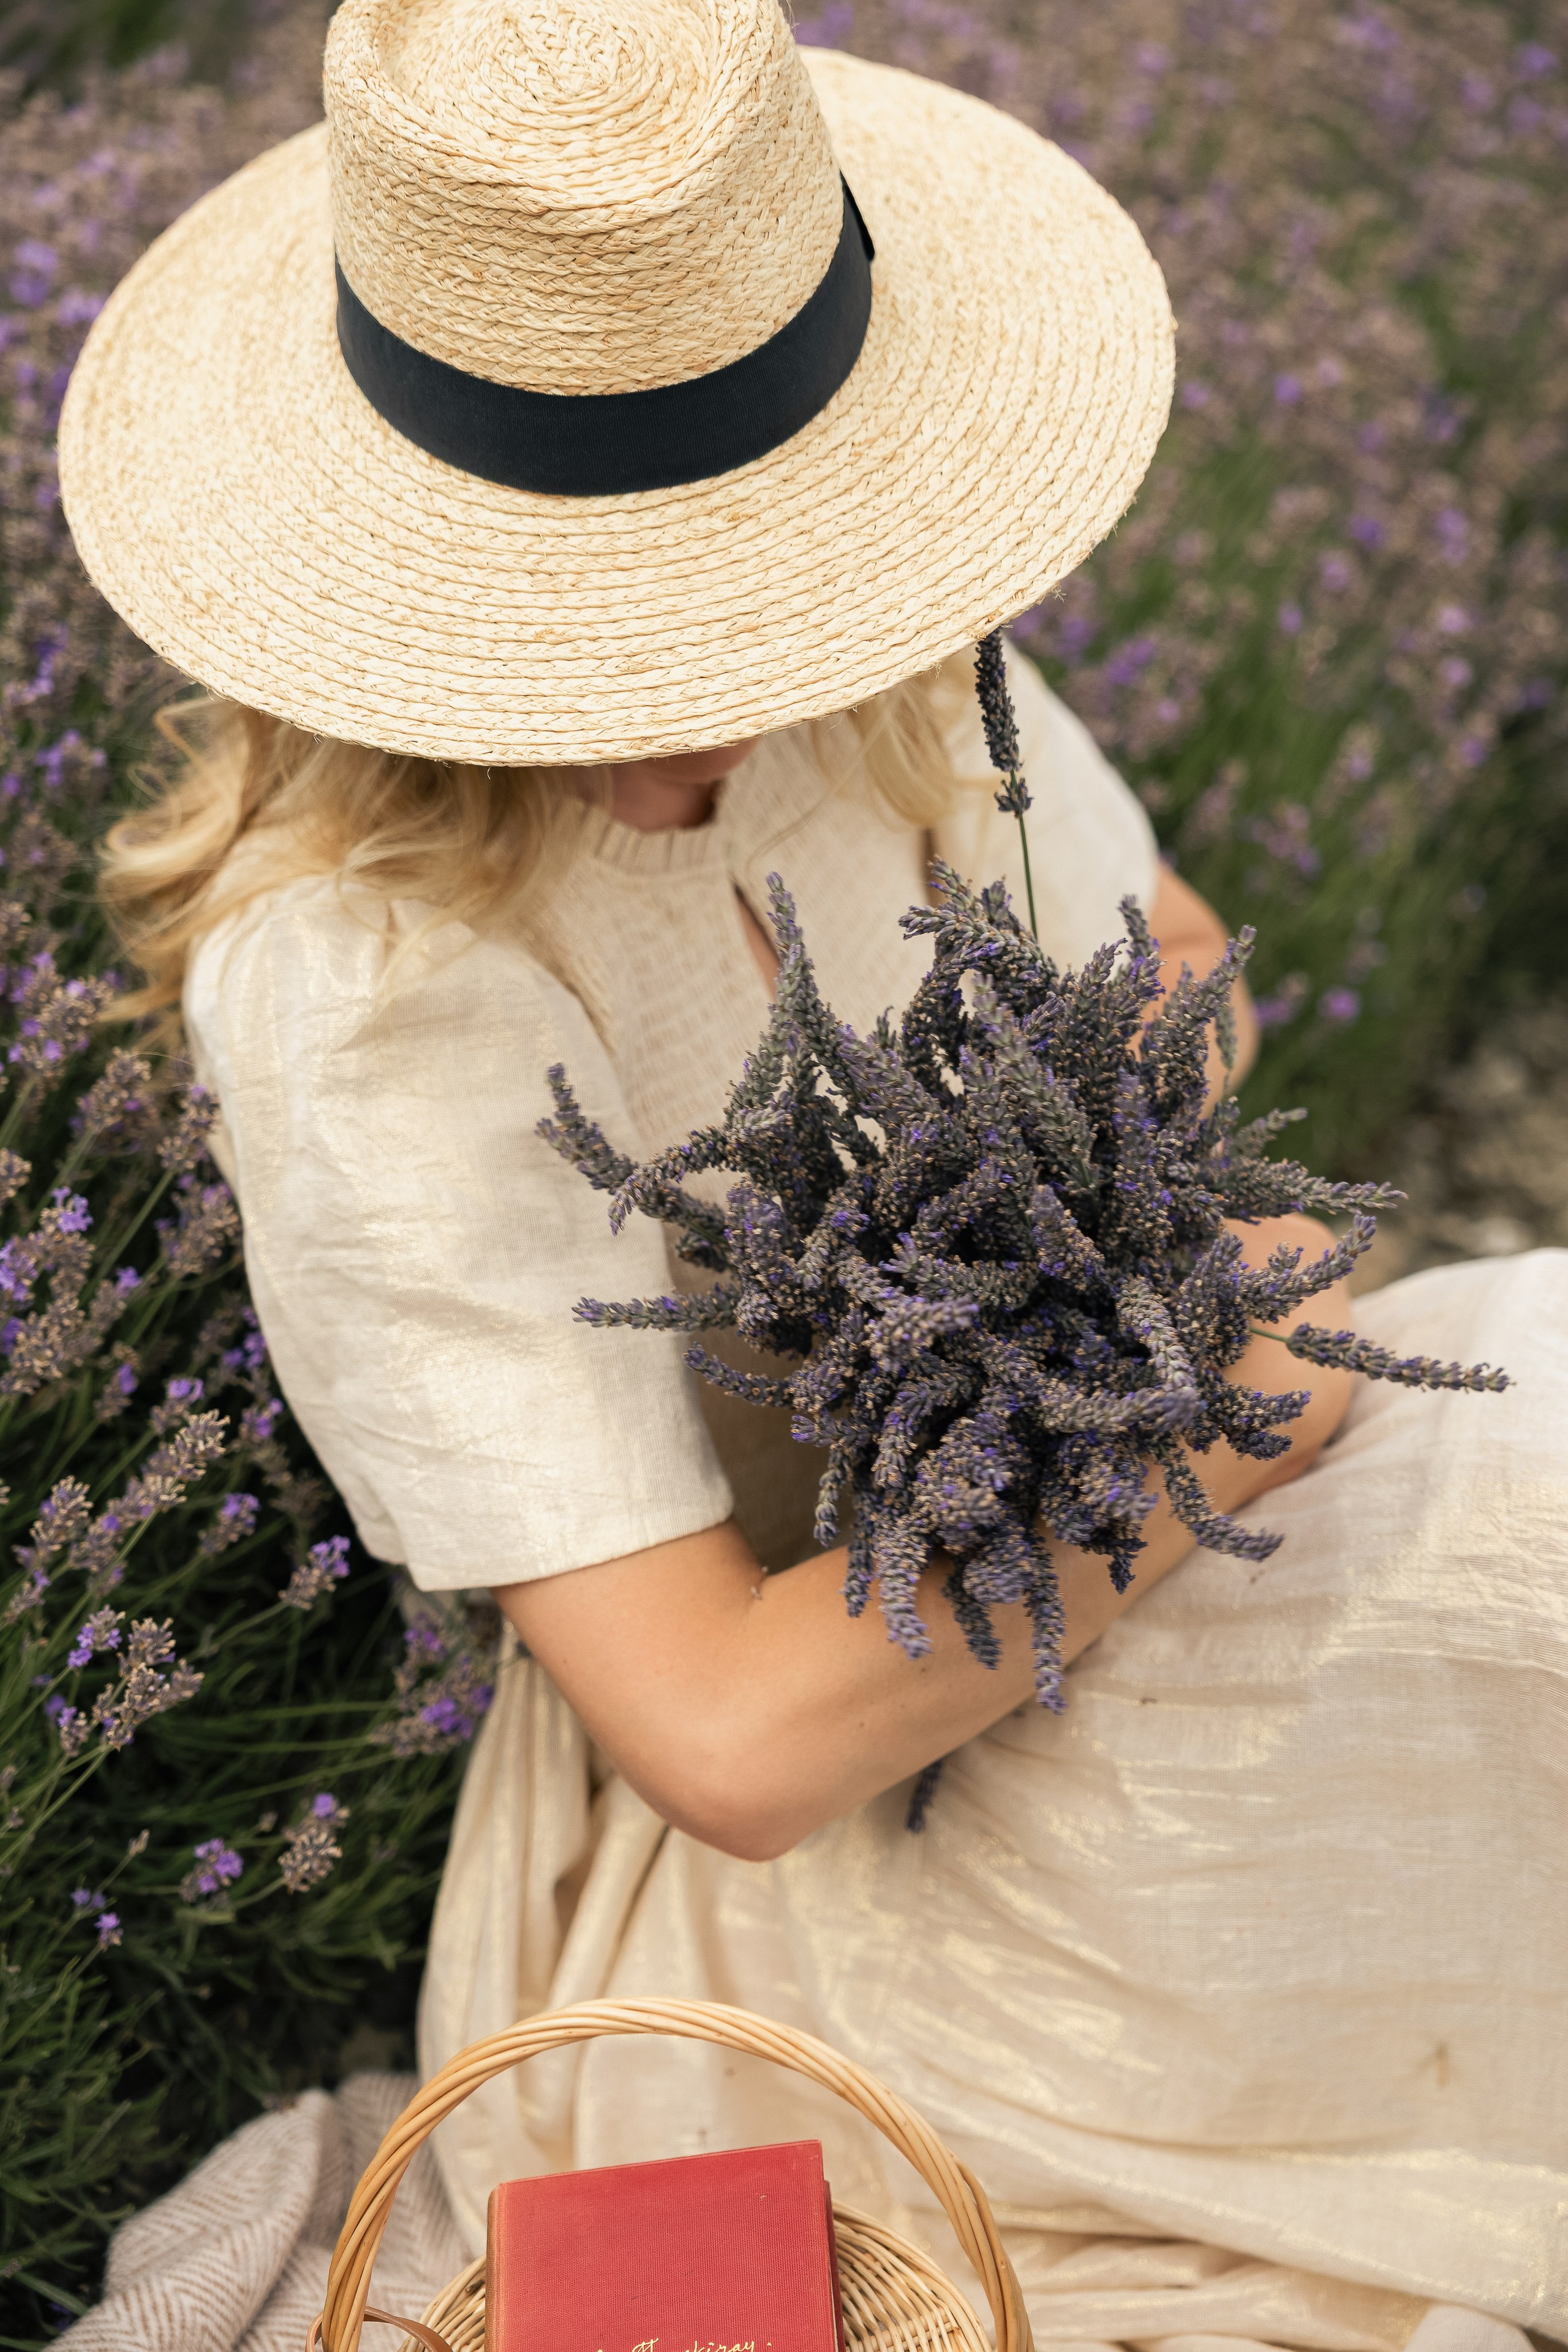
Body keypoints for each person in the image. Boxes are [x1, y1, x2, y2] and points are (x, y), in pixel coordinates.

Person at [59, 1, 1566, 2346]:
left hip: (1116, 1536)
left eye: (762, 573)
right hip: (867, 1811)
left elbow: (1169, 958)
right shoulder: (375, 986)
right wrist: (1199, 1394)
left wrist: (1093, 1260)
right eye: (641, 619)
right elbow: (735, 1743)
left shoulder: (871, 655)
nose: (730, 685)